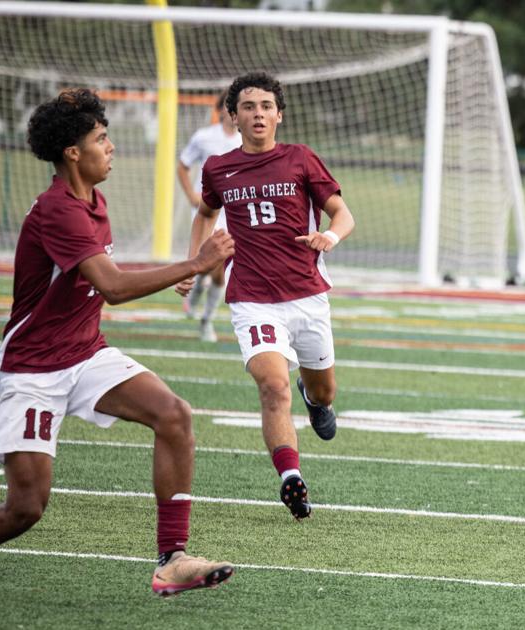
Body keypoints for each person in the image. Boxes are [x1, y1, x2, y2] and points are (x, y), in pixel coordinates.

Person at [0, 89, 236, 596]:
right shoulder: (58, 210)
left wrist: (181, 271)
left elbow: (102, 282)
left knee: (174, 414)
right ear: (73, 152)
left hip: (86, 352)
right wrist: (196, 264)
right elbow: (112, 287)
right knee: (25, 509)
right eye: (101, 138)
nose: (110, 147)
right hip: (35, 370)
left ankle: (172, 560)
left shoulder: (95, 200)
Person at [177, 72, 355, 520]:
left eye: (265, 106)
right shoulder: (218, 168)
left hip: (307, 295)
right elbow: (205, 214)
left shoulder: (300, 159)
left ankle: (316, 400)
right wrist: (193, 264)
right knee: (273, 387)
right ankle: (290, 478)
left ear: (279, 114)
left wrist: (329, 237)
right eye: (248, 106)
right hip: (252, 297)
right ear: (233, 116)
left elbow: (342, 213)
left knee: (324, 389)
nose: (258, 113)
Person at [176, 94, 242, 341]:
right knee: (208, 261)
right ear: (221, 110)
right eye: (229, 105)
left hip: (233, 213)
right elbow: (182, 165)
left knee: (218, 268)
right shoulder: (204, 137)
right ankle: (195, 294)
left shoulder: (245, 141)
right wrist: (192, 195)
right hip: (206, 210)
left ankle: (206, 321)